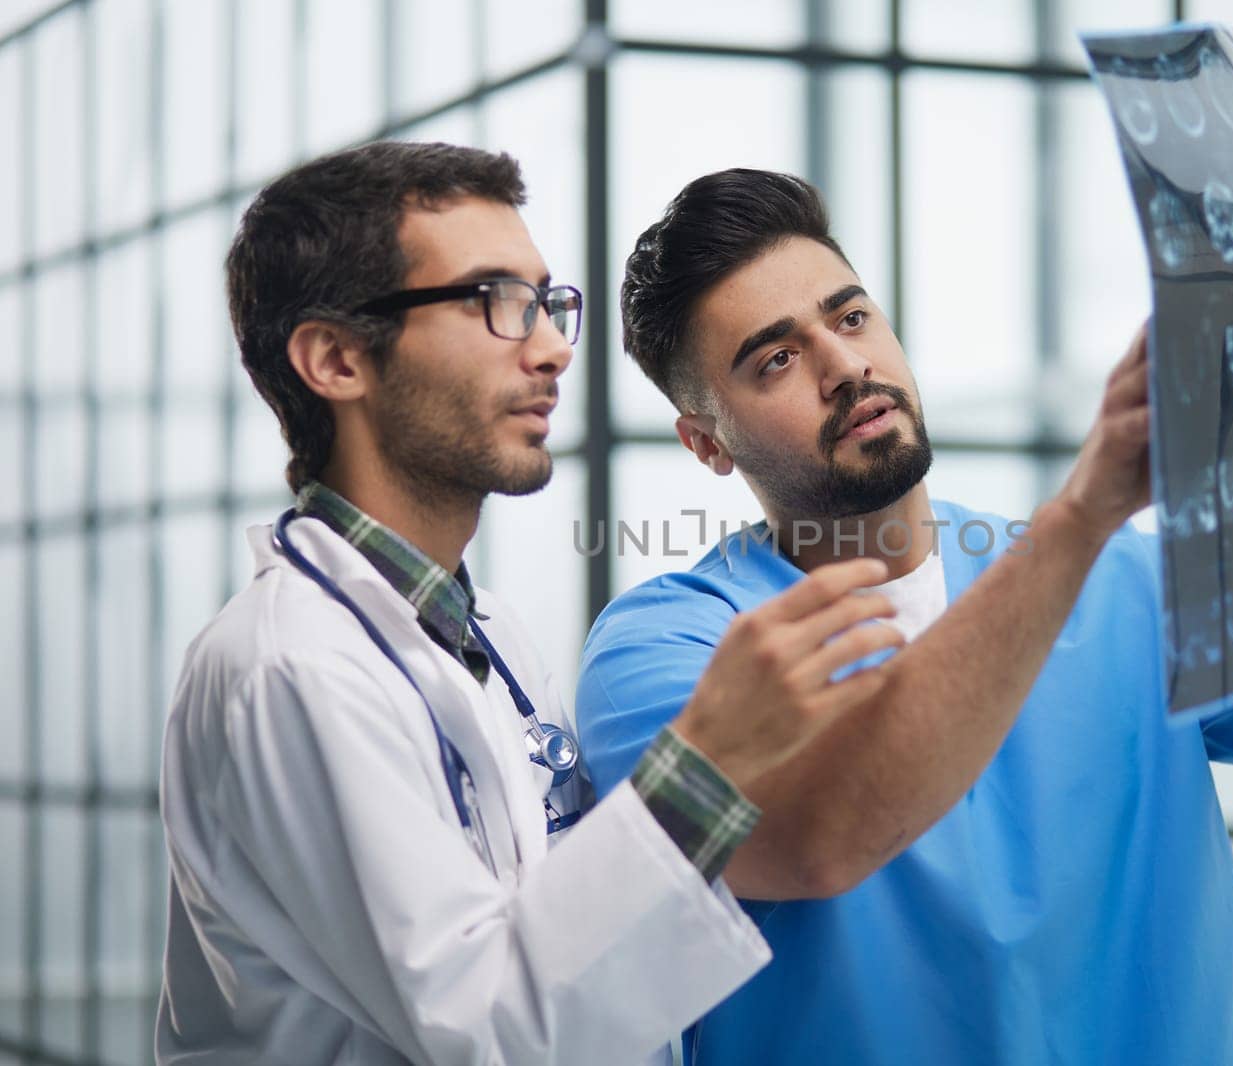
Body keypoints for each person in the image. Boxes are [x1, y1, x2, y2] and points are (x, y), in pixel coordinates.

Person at [575, 168, 1233, 1064]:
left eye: (853, 316)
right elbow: (815, 836)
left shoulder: (1134, 589)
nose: (843, 366)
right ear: (706, 443)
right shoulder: (668, 655)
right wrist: (1083, 516)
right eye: (776, 358)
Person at [156, 143, 906, 1065]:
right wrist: (708, 756)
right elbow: (490, 1028)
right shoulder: (287, 667)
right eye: (494, 304)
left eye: (548, 304)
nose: (553, 348)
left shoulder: (485, 635)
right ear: (337, 360)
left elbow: (569, 954)